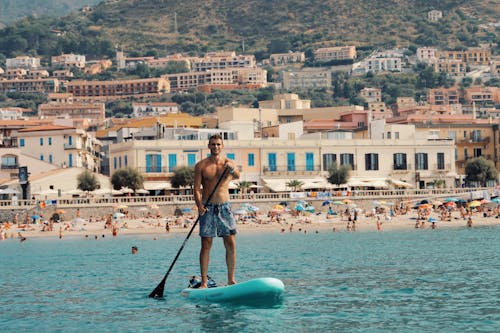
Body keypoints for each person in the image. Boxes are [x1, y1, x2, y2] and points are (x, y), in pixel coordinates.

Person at [194, 134, 240, 289]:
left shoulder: (228, 163)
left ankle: (231, 279)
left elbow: (238, 175)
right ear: (208, 146)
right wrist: (199, 205)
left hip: (224, 207)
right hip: (207, 208)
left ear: (222, 146)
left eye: (218, 144)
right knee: (206, 244)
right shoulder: (201, 165)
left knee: (230, 242)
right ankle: (204, 282)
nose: (215, 147)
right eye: (213, 144)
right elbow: (196, 188)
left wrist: (232, 169)